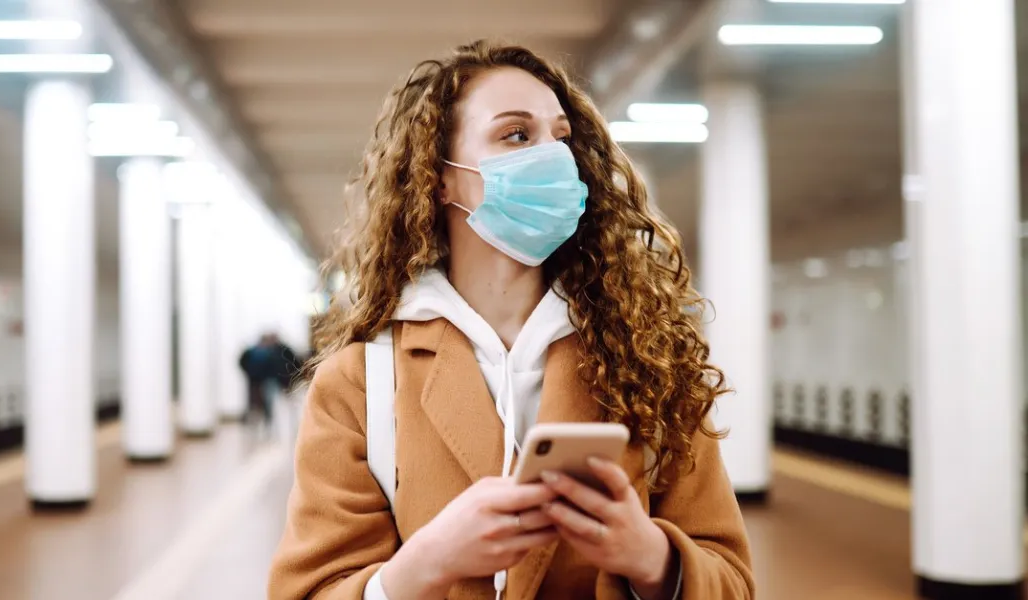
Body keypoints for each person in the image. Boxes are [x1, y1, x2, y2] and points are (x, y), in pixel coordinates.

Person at [268, 40, 753, 600]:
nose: (552, 156)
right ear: (440, 177)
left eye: (561, 137)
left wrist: (652, 559)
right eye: (516, 134)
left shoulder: (646, 361)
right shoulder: (361, 383)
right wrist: (422, 564)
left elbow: (734, 581)